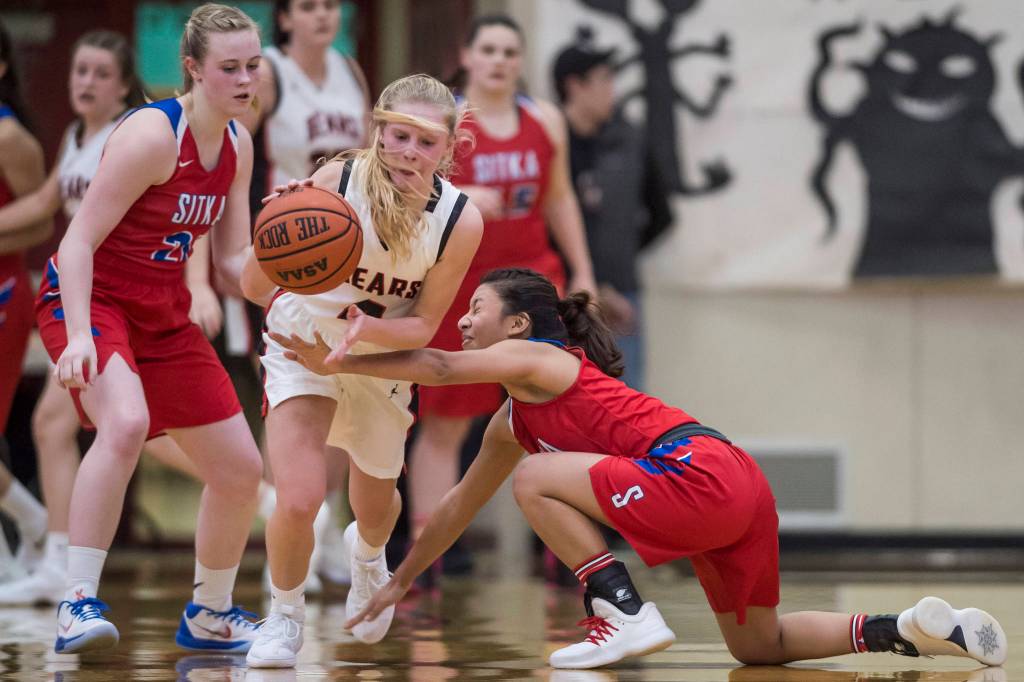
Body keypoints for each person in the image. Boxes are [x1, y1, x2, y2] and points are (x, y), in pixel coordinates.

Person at [275, 267, 1008, 670]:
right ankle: (908, 628)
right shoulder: (511, 420)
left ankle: (621, 611)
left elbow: (435, 364)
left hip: (695, 471)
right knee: (759, 648)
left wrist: (345, 355)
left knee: (535, 480)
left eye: (477, 309)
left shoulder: (543, 360)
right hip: (735, 484)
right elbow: (459, 506)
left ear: (519, 325)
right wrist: (398, 582)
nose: (463, 322)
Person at [34, 3, 265, 654]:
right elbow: (77, 243)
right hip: (91, 297)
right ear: (192, 69)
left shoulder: (239, 146)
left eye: (253, 64)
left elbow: (229, 264)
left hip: (162, 311)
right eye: (230, 68)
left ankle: (209, 613)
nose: (246, 79)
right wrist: (79, 335)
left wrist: (294, 268)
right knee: (127, 423)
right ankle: (76, 602)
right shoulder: (152, 136)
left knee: (241, 471)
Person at [239, 73, 482, 668]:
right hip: (303, 343)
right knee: (297, 498)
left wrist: (363, 334)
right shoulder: (333, 183)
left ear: (449, 149)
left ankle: (369, 556)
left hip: (378, 356)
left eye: (427, 144)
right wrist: (275, 231)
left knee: (376, 506)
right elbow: (250, 288)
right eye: (399, 136)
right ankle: (285, 617)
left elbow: (423, 327)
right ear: (378, 131)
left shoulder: (459, 220)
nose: (409, 152)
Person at [0, 29, 219, 606]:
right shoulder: (77, 136)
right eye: (79, 72)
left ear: (124, 84)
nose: (85, 83)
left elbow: (185, 217)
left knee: (119, 425)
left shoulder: (139, 134)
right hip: (83, 293)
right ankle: (57, 557)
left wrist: (197, 285)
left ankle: (60, 557)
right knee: (75, 425)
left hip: (125, 294)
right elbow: (47, 203)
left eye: (100, 73)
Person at [411, 14, 597, 561]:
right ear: (467, 56)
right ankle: (430, 551)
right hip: (459, 282)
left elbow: (559, 198)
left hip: (534, 284)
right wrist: (460, 193)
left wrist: (582, 270)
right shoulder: (442, 117)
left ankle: (570, 550)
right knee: (446, 423)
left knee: (563, 409)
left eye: (510, 52)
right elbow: (405, 189)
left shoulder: (545, 120)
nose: (499, 60)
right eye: (488, 49)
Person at [237, 0, 372, 594]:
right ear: (285, 18)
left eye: (330, 6)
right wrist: (228, 250)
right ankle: (287, 547)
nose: (324, 15)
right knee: (291, 402)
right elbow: (236, 158)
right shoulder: (267, 72)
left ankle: (327, 528)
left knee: (344, 393)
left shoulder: (350, 70)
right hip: (284, 251)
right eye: (308, 7)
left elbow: (371, 163)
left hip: (346, 253)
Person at [553, 32, 672, 391]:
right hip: (559, 297)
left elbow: (662, 216)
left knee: (625, 399)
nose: (613, 89)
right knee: (559, 404)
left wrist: (616, 266)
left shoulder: (630, 140)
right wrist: (591, 284)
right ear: (574, 85)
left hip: (623, 298)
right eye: (605, 78)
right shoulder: (549, 139)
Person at [0, 16, 51, 585]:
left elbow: (38, 221)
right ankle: (15, 549)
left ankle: (34, 521)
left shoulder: (10, 136)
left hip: (5, 289)